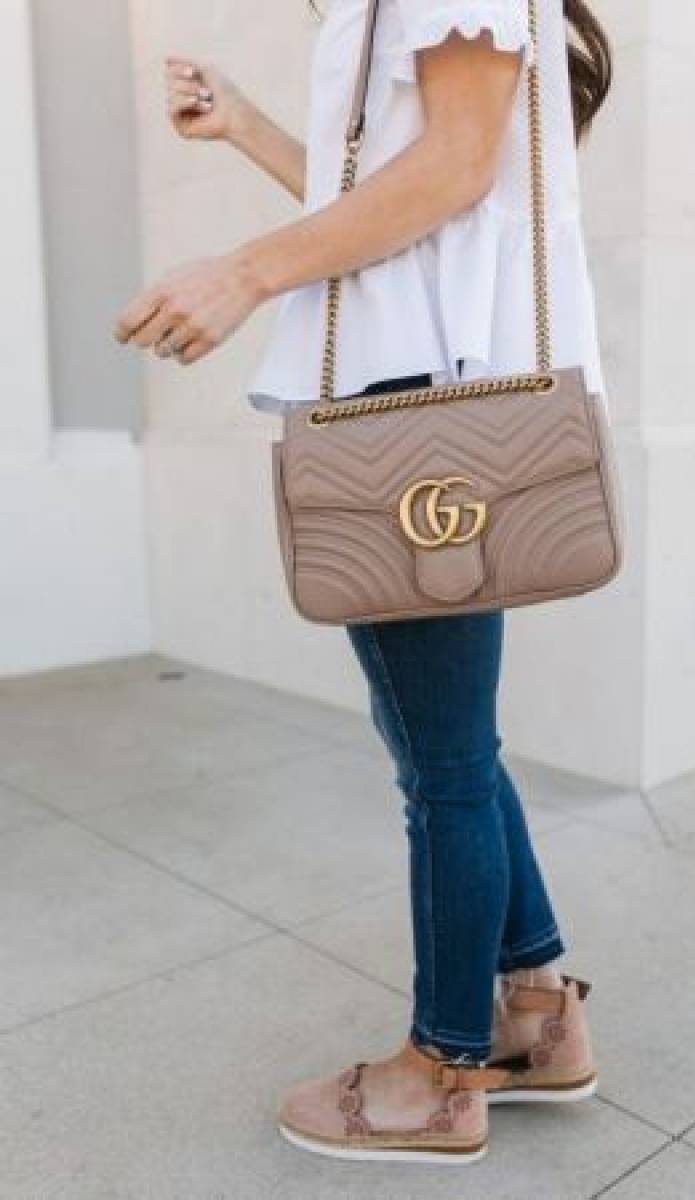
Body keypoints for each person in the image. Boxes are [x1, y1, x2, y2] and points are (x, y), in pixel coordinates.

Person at [114, 0, 613, 1166]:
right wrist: (246, 126)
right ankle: (536, 1016)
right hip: (419, 387)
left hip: (412, 406)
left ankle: (443, 1070)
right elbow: (390, 198)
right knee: (450, 749)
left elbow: (456, 168)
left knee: (442, 767)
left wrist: (241, 273)